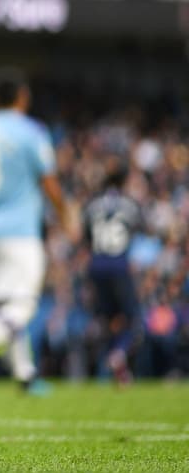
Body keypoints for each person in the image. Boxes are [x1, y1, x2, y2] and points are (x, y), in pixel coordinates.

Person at [0, 67, 79, 395]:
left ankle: (25, 375)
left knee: (7, 307)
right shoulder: (31, 131)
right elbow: (48, 181)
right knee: (23, 306)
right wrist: (66, 214)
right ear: (21, 97)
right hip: (20, 232)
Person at [82, 164, 142, 384]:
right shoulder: (130, 204)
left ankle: (119, 369)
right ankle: (119, 354)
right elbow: (134, 231)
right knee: (132, 317)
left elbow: (87, 237)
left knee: (107, 319)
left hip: (97, 264)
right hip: (119, 264)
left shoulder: (91, 205)